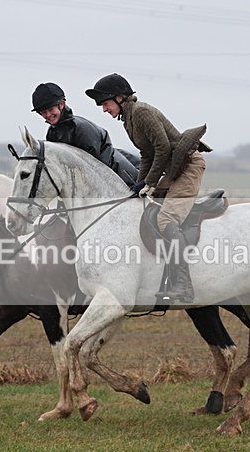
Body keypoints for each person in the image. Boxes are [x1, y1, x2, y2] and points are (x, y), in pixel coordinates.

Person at [85, 73, 210, 303]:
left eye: (105, 103)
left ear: (120, 98)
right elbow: (146, 154)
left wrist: (149, 182)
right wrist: (137, 185)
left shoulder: (140, 112)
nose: (103, 109)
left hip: (188, 167)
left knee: (165, 219)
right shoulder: (128, 119)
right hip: (173, 168)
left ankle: (182, 284)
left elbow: (162, 147)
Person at [31, 82, 138, 186]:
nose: (48, 115)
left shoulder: (81, 128)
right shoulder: (52, 133)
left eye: (50, 109)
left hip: (123, 177)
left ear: (62, 105)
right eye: (43, 112)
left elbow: (94, 167)